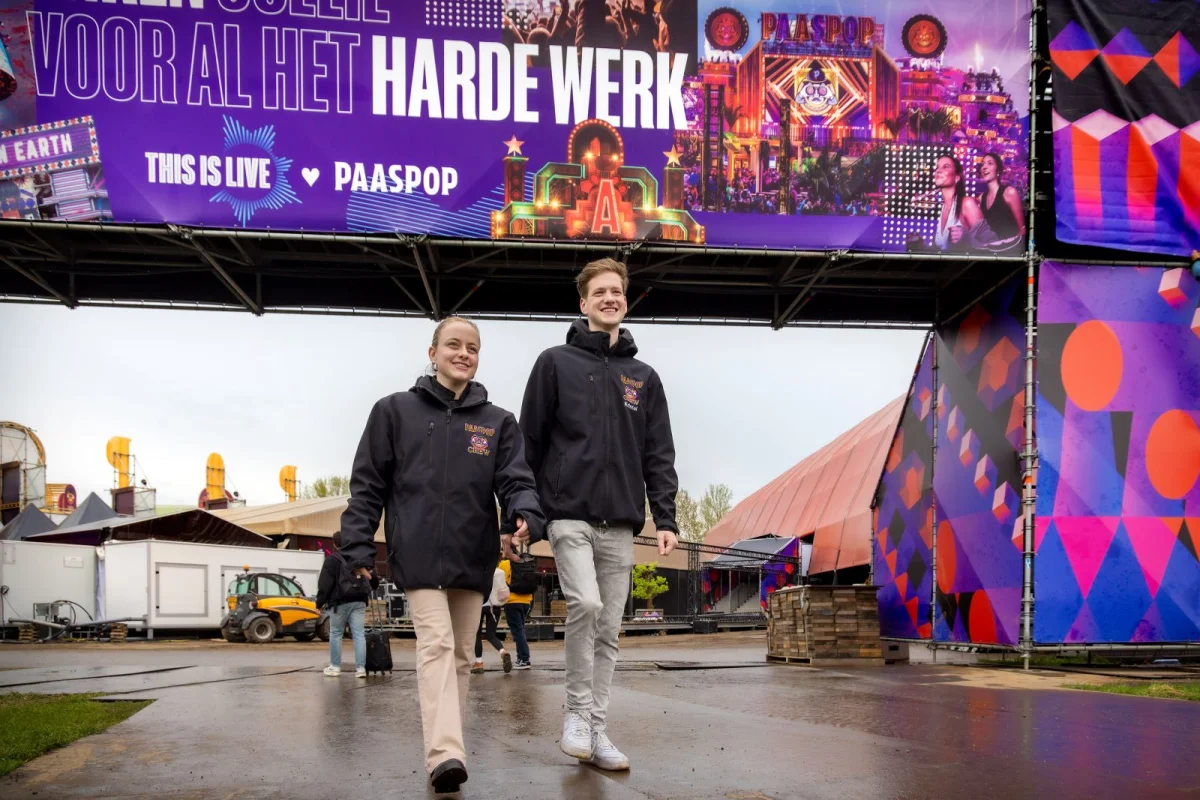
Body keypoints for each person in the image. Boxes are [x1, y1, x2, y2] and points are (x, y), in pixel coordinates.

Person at [338, 316, 545, 795]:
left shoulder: (497, 422)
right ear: (432, 352)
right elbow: (367, 486)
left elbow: (516, 480)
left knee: (459, 655)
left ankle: (446, 747)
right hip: (420, 552)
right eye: (453, 344)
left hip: (474, 557)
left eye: (472, 347)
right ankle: (446, 753)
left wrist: (524, 514)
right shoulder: (393, 412)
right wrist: (358, 545)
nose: (463, 353)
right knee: (435, 645)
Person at [520, 257, 679, 772]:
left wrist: (667, 518)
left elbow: (659, 452)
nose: (610, 298)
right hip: (568, 514)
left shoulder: (644, 377)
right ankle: (574, 713)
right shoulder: (554, 363)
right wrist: (524, 510)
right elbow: (530, 442)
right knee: (585, 605)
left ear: (624, 301)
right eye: (600, 292)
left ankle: (597, 730)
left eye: (618, 291)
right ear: (583, 303)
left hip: (623, 523)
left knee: (609, 628)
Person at [316, 531, 378, 678]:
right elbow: (374, 581)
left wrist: (319, 603)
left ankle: (335, 667)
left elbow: (325, 584)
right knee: (358, 635)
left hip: (340, 601)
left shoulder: (332, 560)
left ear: (335, 544)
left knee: (336, 633)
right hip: (359, 600)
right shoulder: (360, 559)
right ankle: (361, 669)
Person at [932, 153, 984, 252]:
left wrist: (966, 236)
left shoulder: (967, 203)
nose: (938, 170)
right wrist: (918, 242)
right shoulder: (942, 206)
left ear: (957, 177)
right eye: (937, 167)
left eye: (945, 167)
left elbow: (988, 242)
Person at [472, 562, 512, 674]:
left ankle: (478, 663)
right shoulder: (500, 572)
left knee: (477, 635)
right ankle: (503, 651)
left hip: (480, 605)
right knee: (491, 635)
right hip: (495, 606)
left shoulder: (478, 572)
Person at [977, 152, 1025, 242]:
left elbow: (1022, 229)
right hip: (992, 250)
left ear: (998, 170)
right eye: (983, 164)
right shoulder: (981, 198)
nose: (984, 167)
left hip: (1009, 250)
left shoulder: (1009, 193)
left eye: (990, 163)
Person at [499, 556, 534, 669]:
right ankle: (520, 658)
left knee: (517, 631)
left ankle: (524, 659)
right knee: (520, 629)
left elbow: (499, 582)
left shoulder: (504, 564)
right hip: (527, 601)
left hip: (512, 601)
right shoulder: (526, 563)